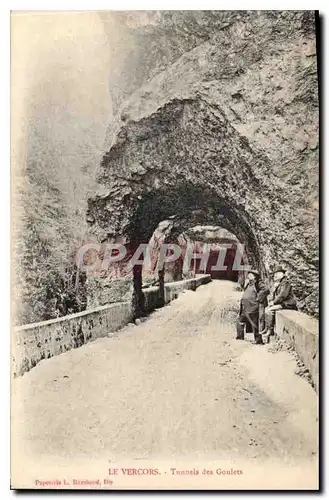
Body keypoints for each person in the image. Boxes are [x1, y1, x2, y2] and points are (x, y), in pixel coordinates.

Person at [263, 265, 297, 342]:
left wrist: (273, 303)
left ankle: (270, 331)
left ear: (282, 274)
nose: (275, 275)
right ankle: (267, 328)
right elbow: (275, 295)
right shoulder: (281, 283)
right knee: (267, 309)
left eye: (277, 273)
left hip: (288, 304)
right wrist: (275, 289)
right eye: (275, 274)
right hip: (283, 303)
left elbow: (282, 295)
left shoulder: (285, 282)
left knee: (269, 310)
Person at [236, 269, 269, 345]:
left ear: (254, 276)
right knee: (239, 320)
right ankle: (240, 337)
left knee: (254, 324)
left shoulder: (258, 283)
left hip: (253, 307)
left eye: (251, 274)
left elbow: (266, 289)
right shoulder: (249, 283)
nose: (248, 275)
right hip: (245, 307)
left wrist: (258, 298)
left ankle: (258, 340)